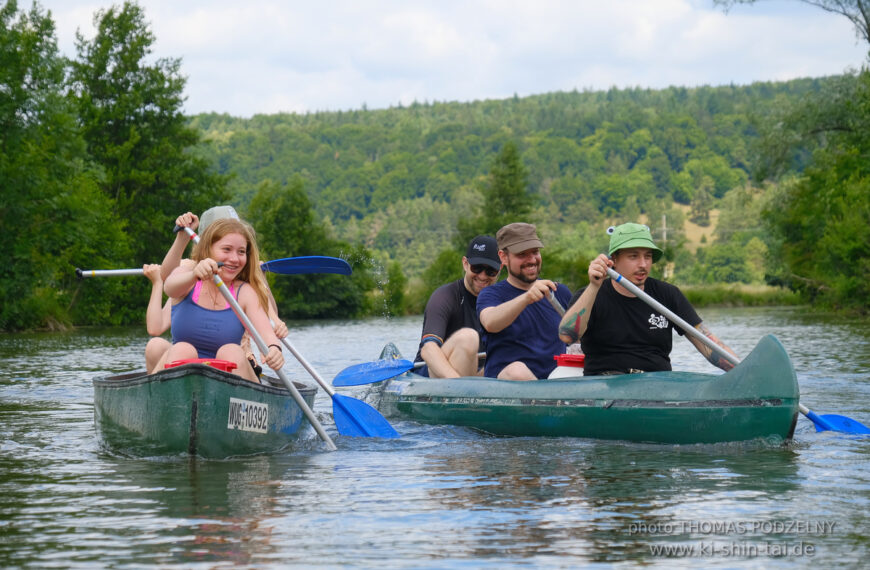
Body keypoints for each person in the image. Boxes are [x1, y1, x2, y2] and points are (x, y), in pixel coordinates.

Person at [558, 222, 738, 376]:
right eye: (633, 256)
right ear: (614, 260)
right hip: (606, 386)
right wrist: (594, 286)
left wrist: (745, 370)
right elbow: (566, 336)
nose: (643, 264)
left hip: (657, 387)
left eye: (648, 256)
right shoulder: (591, 294)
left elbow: (708, 343)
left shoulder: (668, 294)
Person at [156, 218, 285, 383]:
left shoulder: (245, 292)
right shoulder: (187, 275)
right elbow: (169, 288)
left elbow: (266, 333)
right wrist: (195, 274)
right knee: (181, 349)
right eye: (227, 249)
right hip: (184, 382)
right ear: (208, 250)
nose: (235, 259)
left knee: (232, 351)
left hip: (229, 384)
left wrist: (274, 349)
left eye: (241, 252)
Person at [477, 223, 573, 380]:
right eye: (522, 254)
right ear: (503, 257)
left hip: (557, 383)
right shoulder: (491, 294)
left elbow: (583, 336)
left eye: (535, 252)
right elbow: (490, 322)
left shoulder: (559, 292)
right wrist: (527, 297)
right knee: (517, 371)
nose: (531, 260)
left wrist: (595, 286)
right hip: (507, 386)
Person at [413, 235, 502, 378]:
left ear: (500, 269)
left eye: (490, 270)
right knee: (468, 337)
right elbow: (428, 349)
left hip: (475, 378)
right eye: (477, 268)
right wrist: (460, 386)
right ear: (465, 264)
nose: (483, 276)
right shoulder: (445, 296)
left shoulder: (504, 304)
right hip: (430, 375)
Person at [143, 263, 172, 373]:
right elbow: (154, 329)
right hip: (185, 356)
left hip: (224, 359)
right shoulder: (187, 285)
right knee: (155, 346)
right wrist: (157, 283)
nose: (231, 259)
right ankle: (154, 388)